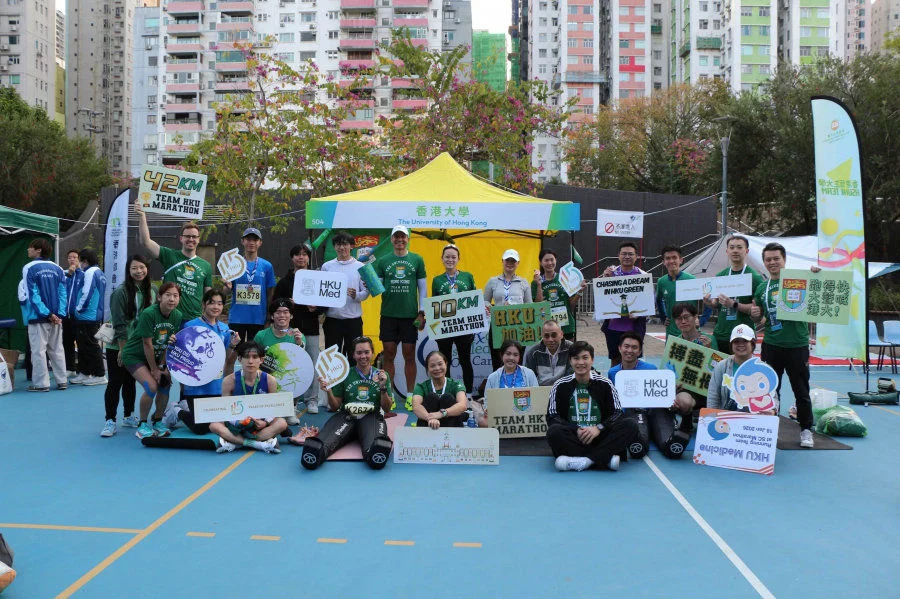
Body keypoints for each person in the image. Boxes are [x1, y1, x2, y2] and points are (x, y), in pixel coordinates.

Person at [750, 242, 815, 448]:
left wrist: (816, 275)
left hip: (797, 345)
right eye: (768, 259)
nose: (772, 262)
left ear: (784, 260)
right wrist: (755, 314)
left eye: (776, 258)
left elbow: (818, 289)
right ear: (764, 263)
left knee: (801, 391)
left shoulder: (800, 279)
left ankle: (806, 430)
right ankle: (768, 428)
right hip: (771, 344)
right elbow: (758, 316)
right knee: (769, 390)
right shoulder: (762, 287)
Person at [301, 336, 394, 470]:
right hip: (347, 416)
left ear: (372, 353)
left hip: (370, 416)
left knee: (376, 445)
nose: (363, 356)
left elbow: (387, 408)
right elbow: (335, 407)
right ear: (353, 355)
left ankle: (375, 454)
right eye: (359, 353)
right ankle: (313, 455)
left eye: (366, 352)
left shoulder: (382, 375)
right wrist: (329, 391)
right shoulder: (345, 374)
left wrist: (383, 387)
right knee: (321, 444)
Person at [546, 341, 638, 472]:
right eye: (576, 358)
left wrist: (599, 428)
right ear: (570, 361)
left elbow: (618, 413)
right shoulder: (560, 385)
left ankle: (584, 461)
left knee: (631, 425)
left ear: (592, 360)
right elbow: (552, 416)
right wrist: (575, 429)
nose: (581, 363)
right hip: (574, 436)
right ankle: (603, 459)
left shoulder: (605, 383)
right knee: (553, 432)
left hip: (600, 436)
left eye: (585, 358)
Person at [163, 288, 240, 435]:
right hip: (196, 385)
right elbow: (180, 354)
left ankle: (186, 407)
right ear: (204, 304)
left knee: (221, 424)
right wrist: (172, 341)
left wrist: (233, 344)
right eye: (212, 303)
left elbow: (226, 357)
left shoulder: (224, 329)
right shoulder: (190, 326)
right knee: (202, 429)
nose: (216, 307)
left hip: (216, 385)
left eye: (219, 304)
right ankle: (176, 410)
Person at [608, 332, 693, 460]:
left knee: (665, 436)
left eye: (634, 347)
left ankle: (674, 445)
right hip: (634, 412)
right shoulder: (613, 372)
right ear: (620, 348)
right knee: (639, 432)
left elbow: (660, 392)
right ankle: (637, 443)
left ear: (640, 351)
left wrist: (671, 400)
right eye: (626, 346)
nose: (629, 350)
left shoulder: (651, 368)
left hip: (656, 410)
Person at [101, 255, 156, 437]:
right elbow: (119, 324)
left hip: (139, 347)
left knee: (130, 382)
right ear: (128, 270)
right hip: (119, 347)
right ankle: (110, 420)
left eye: (142, 267)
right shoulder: (121, 292)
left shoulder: (152, 291)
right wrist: (123, 350)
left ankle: (128, 415)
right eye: (134, 268)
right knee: (115, 383)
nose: (139, 271)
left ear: (147, 268)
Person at [120, 282, 183, 439]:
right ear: (160, 297)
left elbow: (168, 344)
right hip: (135, 355)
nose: (172, 299)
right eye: (168, 295)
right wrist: (154, 370)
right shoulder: (149, 314)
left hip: (156, 356)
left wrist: (162, 367)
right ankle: (142, 425)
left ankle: (157, 421)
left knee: (165, 382)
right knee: (151, 386)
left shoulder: (177, 316)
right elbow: (147, 343)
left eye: (175, 296)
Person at [374, 225, 427, 408]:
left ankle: (411, 396)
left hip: (409, 316)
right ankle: (390, 395)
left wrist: (422, 312)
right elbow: (376, 288)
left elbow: (423, 289)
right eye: (396, 237)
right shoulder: (382, 261)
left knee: (409, 355)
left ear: (408, 239)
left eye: (403, 237)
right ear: (391, 240)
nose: (399, 240)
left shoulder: (417, 260)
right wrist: (366, 280)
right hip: (388, 315)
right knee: (388, 354)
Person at [135, 204, 212, 321]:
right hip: (169, 317)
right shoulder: (169, 255)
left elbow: (209, 296)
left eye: (194, 237)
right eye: (187, 236)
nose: (191, 239)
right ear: (181, 238)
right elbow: (146, 242)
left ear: (198, 239)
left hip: (194, 320)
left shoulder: (206, 266)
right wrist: (142, 216)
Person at [273, 243, 324, 413]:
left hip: (310, 329)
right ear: (292, 258)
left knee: (312, 363)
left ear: (309, 258)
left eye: (304, 254)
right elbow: (275, 304)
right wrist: (289, 303)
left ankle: (312, 400)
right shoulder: (285, 282)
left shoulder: (317, 279)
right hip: (288, 330)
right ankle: (290, 401)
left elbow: (325, 306)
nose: (301, 257)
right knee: (289, 364)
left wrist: (315, 307)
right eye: (297, 254)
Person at [210, 342, 286, 454]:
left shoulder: (270, 380)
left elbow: (273, 409)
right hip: (236, 421)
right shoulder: (229, 381)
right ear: (240, 359)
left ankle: (235, 443)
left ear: (261, 360)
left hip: (259, 423)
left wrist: (264, 422)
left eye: (255, 357)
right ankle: (259, 444)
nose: (250, 361)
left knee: (282, 423)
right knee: (214, 425)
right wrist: (237, 422)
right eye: (246, 357)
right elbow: (225, 409)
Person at [18, 238, 68, 392]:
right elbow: (62, 293)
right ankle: (62, 381)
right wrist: (58, 314)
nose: (28, 250)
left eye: (30, 247)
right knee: (57, 349)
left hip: (39, 316)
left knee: (38, 351)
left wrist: (47, 314)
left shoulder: (29, 267)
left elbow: (32, 294)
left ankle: (41, 384)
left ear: (38, 250)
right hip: (56, 318)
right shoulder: (58, 268)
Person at [704, 235, 765, 352]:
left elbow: (758, 310)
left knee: (741, 370)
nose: (735, 250)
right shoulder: (721, 275)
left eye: (739, 247)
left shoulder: (755, 277)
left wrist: (734, 304)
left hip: (743, 337)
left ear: (746, 251)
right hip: (721, 333)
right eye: (731, 247)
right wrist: (709, 303)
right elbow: (716, 303)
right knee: (720, 368)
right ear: (727, 251)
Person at [431, 243, 476, 395]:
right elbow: (434, 306)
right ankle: (447, 394)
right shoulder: (436, 280)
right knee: (445, 362)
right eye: (447, 257)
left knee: (465, 360)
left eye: (453, 257)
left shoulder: (468, 276)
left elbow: (474, 300)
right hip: (444, 327)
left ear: (458, 259)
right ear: (442, 259)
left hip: (463, 327)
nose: (450, 260)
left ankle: (468, 395)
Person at [321, 231, 369, 364]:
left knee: (354, 357)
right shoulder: (327, 266)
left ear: (352, 246)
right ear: (334, 247)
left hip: (353, 321)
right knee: (331, 358)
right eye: (338, 244)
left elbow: (366, 292)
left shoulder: (361, 267)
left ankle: (352, 384)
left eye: (345, 244)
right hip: (332, 320)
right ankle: (332, 385)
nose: (342, 248)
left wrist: (356, 295)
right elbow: (322, 292)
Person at [708, 324, 779, 415]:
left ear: (753, 344)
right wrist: (711, 417)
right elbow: (713, 395)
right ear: (731, 345)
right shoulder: (722, 366)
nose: (740, 344)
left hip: (755, 420)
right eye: (736, 341)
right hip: (726, 418)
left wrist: (773, 411)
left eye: (745, 341)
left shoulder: (764, 368)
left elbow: (774, 398)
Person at [600, 241, 648, 367]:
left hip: (634, 328)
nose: (627, 256)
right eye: (624, 254)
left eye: (630, 254)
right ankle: (612, 386)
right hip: (613, 327)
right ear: (618, 256)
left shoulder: (643, 276)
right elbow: (602, 297)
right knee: (615, 360)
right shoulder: (610, 273)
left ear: (636, 256)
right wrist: (605, 279)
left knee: (633, 361)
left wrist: (638, 313)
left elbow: (648, 301)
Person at [484, 248, 533, 369]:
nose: (510, 263)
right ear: (502, 261)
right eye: (507, 260)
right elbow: (485, 301)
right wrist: (490, 307)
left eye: (513, 261)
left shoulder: (524, 282)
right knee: (497, 360)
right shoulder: (492, 281)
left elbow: (529, 305)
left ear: (518, 263)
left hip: (518, 327)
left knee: (517, 360)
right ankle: (498, 386)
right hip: (497, 326)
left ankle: (515, 386)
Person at [226, 227, 276, 342]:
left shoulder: (267, 266)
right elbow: (225, 291)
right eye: (248, 239)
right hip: (237, 318)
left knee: (255, 354)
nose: (251, 242)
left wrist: (269, 317)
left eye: (255, 240)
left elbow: (270, 293)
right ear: (242, 241)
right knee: (235, 352)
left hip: (258, 318)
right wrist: (226, 287)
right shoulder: (234, 264)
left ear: (260, 243)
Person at [69, 248, 107, 386]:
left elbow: (87, 292)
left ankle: (100, 374)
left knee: (90, 345)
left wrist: (78, 309)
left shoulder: (90, 272)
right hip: (90, 315)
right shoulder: (99, 272)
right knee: (83, 346)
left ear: (84, 261)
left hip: (87, 316)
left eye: (79, 260)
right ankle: (85, 372)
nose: (79, 264)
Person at [531, 249, 585, 341]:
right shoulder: (535, 283)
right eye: (546, 260)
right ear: (541, 263)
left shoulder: (564, 278)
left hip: (566, 327)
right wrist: (539, 284)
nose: (550, 263)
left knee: (567, 354)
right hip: (547, 328)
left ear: (556, 260)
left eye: (552, 259)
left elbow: (571, 305)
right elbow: (538, 305)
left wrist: (580, 292)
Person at [484, 339, 539, 427]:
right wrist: (488, 410)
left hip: (525, 417)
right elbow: (487, 402)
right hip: (501, 419)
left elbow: (536, 398)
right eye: (508, 354)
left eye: (515, 355)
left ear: (519, 357)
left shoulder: (529, 374)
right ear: (501, 355)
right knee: (482, 422)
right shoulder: (492, 377)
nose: (511, 358)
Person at [411, 351, 469, 429]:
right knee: (431, 397)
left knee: (447, 398)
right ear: (427, 368)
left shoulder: (456, 384)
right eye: (432, 366)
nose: (437, 368)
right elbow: (416, 407)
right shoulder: (421, 387)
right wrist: (430, 417)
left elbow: (463, 405)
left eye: (440, 364)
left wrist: (441, 414)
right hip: (429, 425)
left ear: (446, 364)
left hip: (451, 426)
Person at [656, 245, 697, 341]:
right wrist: (663, 317)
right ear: (663, 262)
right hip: (671, 332)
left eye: (674, 258)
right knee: (670, 356)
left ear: (681, 260)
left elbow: (706, 300)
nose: (671, 261)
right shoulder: (662, 281)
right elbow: (658, 300)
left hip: (691, 332)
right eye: (667, 258)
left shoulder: (692, 279)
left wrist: (702, 320)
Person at [524, 320, 574, 387]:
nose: (550, 339)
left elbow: (572, 375)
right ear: (542, 336)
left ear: (561, 334)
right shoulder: (533, 353)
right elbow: (529, 378)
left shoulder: (571, 349)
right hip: (540, 391)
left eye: (554, 335)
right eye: (546, 336)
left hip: (564, 389)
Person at [62, 248, 81, 376]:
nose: (72, 259)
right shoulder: (64, 274)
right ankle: (70, 368)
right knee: (67, 342)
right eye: (70, 257)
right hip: (65, 315)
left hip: (79, 315)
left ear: (79, 259)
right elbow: (61, 290)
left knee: (81, 343)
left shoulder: (83, 274)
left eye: (74, 257)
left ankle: (82, 368)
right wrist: (69, 274)